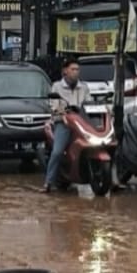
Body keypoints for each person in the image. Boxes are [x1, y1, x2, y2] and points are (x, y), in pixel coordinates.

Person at [43, 58, 90, 192]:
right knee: (57, 152)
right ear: (65, 71)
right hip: (63, 124)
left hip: (82, 124)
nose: (75, 72)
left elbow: (89, 103)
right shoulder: (57, 87)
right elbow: (53, 107)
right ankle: (48, 182)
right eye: (73, 69)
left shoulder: (84, 87)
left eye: (77, 69)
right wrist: (62, 113)